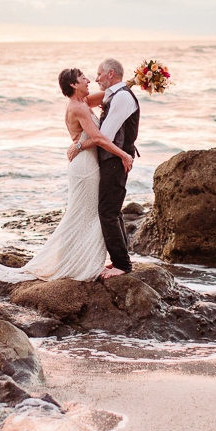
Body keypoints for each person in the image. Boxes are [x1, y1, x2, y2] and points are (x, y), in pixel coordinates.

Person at [0, 68, 133, 284]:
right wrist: (123, 155)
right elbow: (99, 138)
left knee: (86, 213)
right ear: (73, 84)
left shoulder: (83, 101)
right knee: (85, 213)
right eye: (83, 79)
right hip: (85, 167)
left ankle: (79, 258)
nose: (89, 80)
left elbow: (112, 93)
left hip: (86, 162)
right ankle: (73, 261)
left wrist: (136, 81)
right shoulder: (78, 107)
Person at [67, 58, 139, 276]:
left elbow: (104, 136)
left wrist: (79, 145)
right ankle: (121, 261)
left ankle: (122, 265)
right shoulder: (114, 95)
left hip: (114, 160)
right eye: (87, 77)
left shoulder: (122, 97)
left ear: (110, 74)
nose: (94, 78)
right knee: (111, 211)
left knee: (108, 212)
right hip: (108, 159)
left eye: (98, 74)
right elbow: (89, 101)